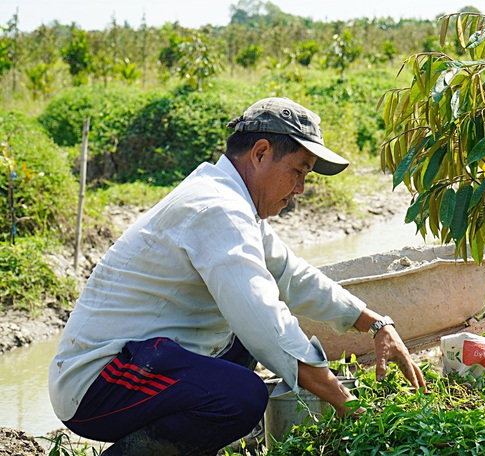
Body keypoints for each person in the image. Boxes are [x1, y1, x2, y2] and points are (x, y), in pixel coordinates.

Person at [48, 97, 427, 455]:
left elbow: (291, 275)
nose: (300, 189)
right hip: (97, 382)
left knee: (240, 348)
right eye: (297, 171)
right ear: (260, 153)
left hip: (145, 356)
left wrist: (375, 323)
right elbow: (265, 323)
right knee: (240, 396)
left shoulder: (232, 201)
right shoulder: (217, 208)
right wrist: (349, 405)